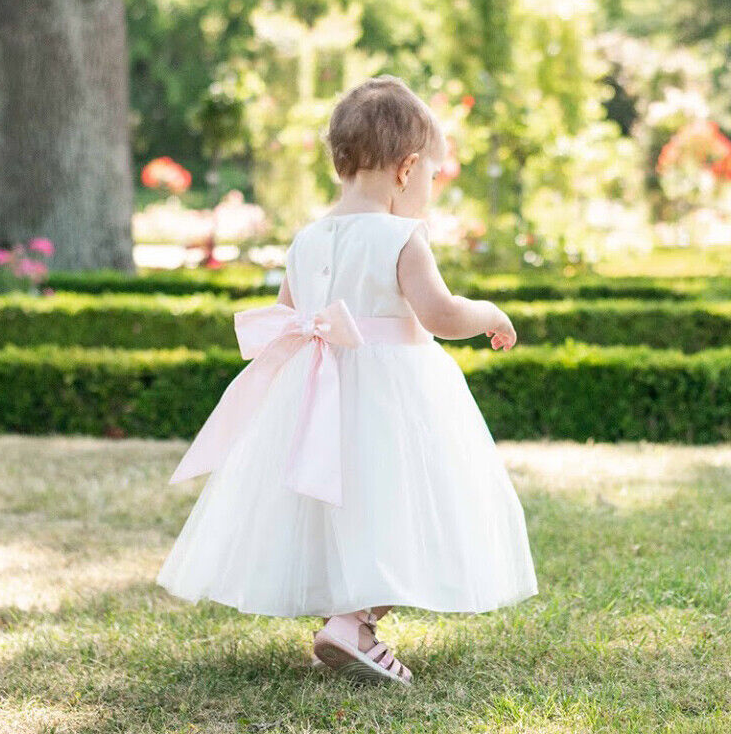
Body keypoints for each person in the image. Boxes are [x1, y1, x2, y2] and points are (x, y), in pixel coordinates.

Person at [157, 76, 538, 686]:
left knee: (345, 504)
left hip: (317, 392)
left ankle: (350, 615)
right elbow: (438, 315)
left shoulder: (307, 239)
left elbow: (288, 319)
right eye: (433, 176)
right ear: (408, 168)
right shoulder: (400, 236)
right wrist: (489, 313)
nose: (431, 190)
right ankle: (354, 621)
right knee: (408, 504)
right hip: (395, 396)